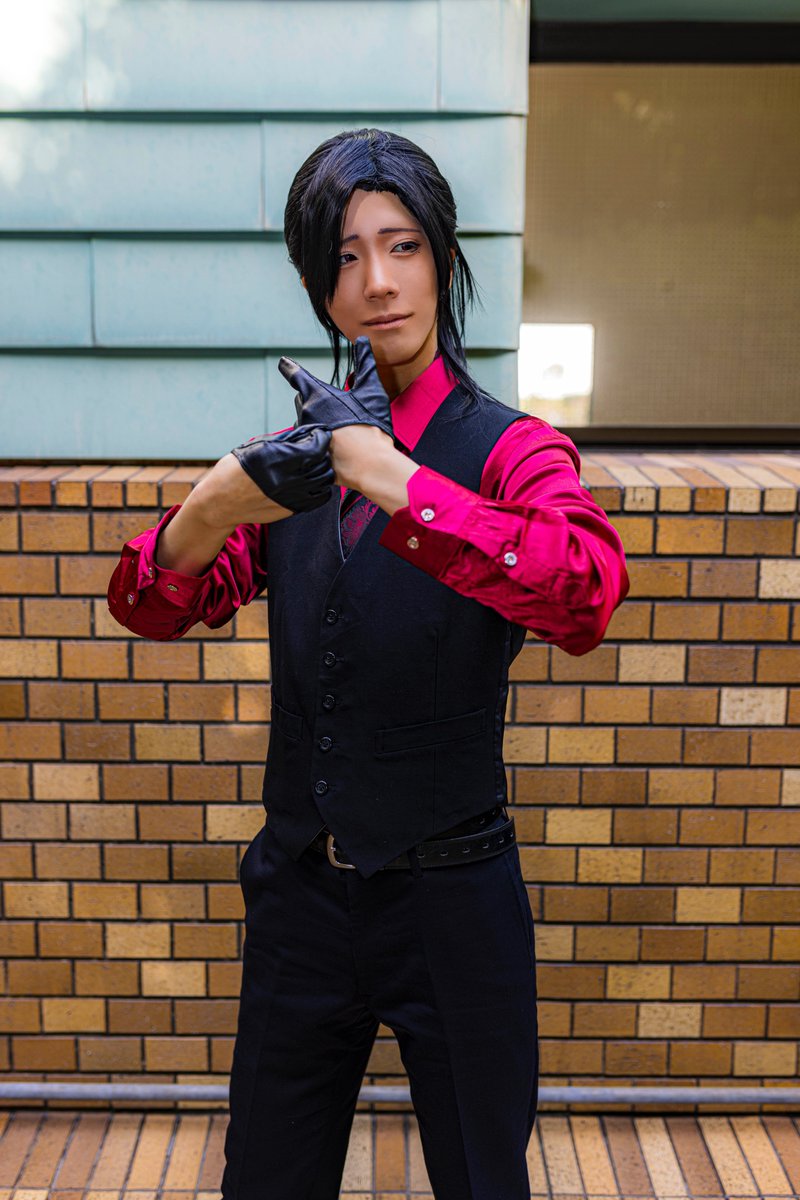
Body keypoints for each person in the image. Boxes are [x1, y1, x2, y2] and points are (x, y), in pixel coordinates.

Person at [108, 127, 629, 1200]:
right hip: (301, 898)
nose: (378, 282)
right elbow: (151, 606)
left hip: (455, 899)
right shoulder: (300, 462)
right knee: (263, 1179)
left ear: (442, 258)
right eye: (344, 258)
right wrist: (213, 502)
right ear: (319, 288)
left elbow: (582, 593)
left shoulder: (510, 449)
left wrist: (394, 480)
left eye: (401, 246)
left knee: (482, 1181)